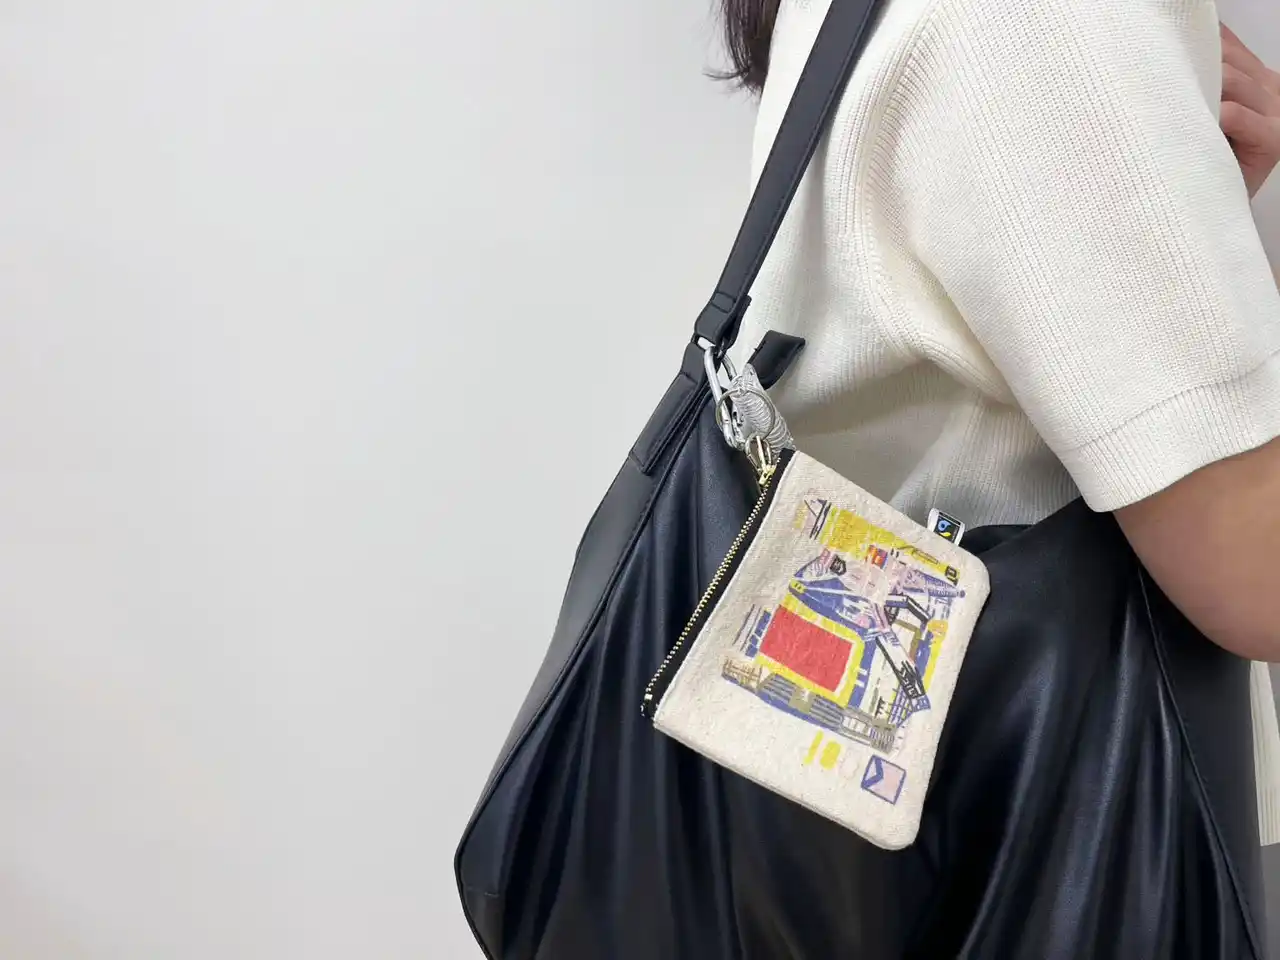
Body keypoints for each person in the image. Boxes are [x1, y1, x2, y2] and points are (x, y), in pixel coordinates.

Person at [727, 0, 1280, 840]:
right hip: (1033, 821)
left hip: (895, 798)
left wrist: (1176, 225)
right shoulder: (1043, 20)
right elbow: (1259, 579)